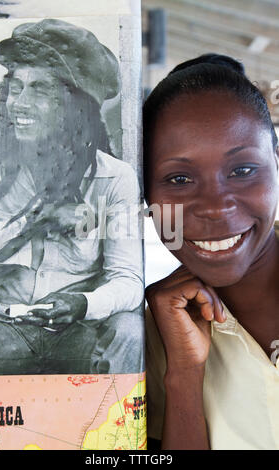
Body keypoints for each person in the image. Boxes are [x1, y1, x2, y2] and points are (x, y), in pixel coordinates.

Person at [0, 19, 144, 375]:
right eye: (16, 88)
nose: (18, 104)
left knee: (130, 329)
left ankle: (114, 431)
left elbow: (129, 280)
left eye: (40, 90)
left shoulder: (114, 178)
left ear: (75, 109)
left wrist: (83, 303)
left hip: (76, 331)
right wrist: (29, 224)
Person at [143, 53, 279, 450]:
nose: (216, 206)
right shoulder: (140, 343)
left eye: (242, 170)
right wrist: (184, 374)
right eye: (179, 178)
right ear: (145, 195)